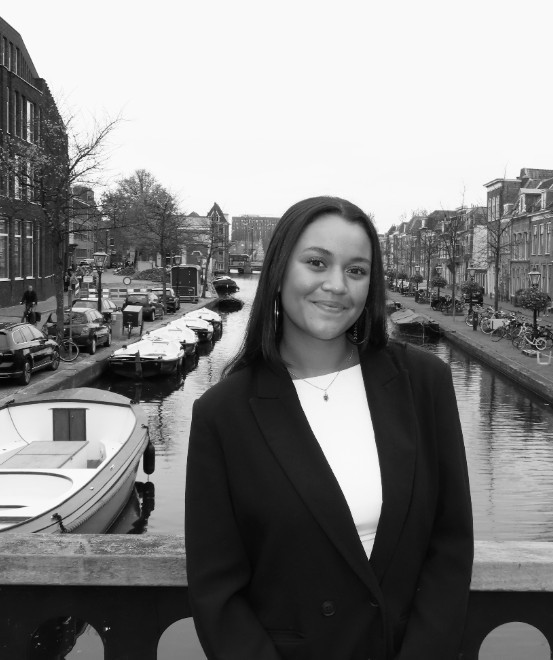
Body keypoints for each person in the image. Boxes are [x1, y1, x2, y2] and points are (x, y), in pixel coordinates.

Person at [185, 196, 473, 660]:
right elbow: (216, 589)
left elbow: (451, 544)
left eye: (356, 270)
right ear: (279, 271)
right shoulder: (224, 413)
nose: (337, 285)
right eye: (317, 263)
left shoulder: (424, 383)